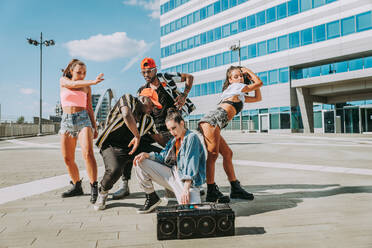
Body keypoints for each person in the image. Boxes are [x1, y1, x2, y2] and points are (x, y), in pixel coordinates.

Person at [112, 57, 196, 200]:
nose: (146, 75)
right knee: (130, 144)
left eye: (149, 71)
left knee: (179, 154)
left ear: (155, 70)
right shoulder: (143, 90)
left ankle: (185, 186)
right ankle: (124, 184)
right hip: (152, 128)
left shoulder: (166, 78)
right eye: (143, 73)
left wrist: (183, 95)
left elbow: (189, 77)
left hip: (171, 126)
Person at [198, 66, 263, 203]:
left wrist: (250, 79)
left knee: (227, 153)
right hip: (212, 121)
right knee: (213, 155)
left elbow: (258, 97)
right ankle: (211, 191)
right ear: (230, 80)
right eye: (236, 76)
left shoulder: (240, 94)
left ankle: (235, 188)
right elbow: (259, 83)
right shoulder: (235, 88)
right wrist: (249, 72)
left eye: (241, 76)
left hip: (215, 124)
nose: (239, 78)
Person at [94, 89, 164, 211]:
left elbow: (158, 138)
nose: (152, 108)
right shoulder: (128, 99)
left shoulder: (148, 120)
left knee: (161, 155)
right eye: (152, 104)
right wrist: (137, 136)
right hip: (112, 145)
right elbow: (126, 114)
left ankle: (153, 195)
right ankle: (103, 192)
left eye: (154, 106)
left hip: (132, 147)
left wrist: (177, 147)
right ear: (143, 99)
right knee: (115, 170)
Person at [133, 108, 206, 214]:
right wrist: (147, 155)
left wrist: (186, 189)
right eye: (169, 129)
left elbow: (191, 165)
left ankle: (188, 195)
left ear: (182, 123)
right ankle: (152, 197)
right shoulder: (174, 140)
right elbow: (163, 157)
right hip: (172, 174)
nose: (172, 132)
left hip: (187, 182)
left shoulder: (191, 137)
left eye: (174, 128)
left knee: (191, 213)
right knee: (140, 162)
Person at [59, 59, 104, 204]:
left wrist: (95, 126)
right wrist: (93, 82)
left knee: (88, 153)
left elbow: (89, 107)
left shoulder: (86, 87)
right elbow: (72, 84)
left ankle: (94, 186)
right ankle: (77, 185)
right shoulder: (63, 80)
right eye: (79, 72)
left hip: (83, 119)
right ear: (71, 71)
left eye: (84, 73)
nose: (82, 75)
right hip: (66, 121)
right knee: (67, 158)